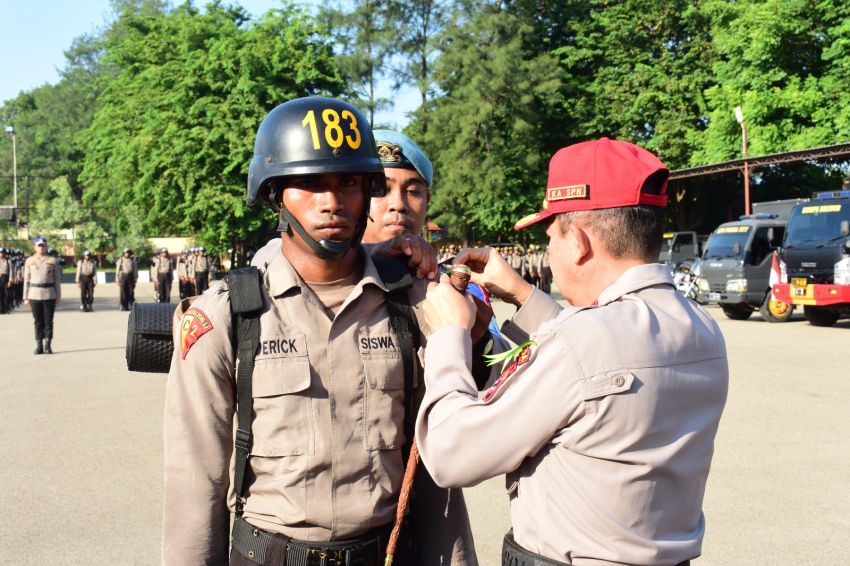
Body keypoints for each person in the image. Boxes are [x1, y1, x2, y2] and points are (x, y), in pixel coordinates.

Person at [163, 96, 478, 566]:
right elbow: (195, 484)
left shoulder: (415, 304)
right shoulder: (227, 317)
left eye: (348, 182)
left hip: (388, 551)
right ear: (275, 193)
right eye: (309, 184)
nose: (331, 202)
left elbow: (436, 471)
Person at [416, 138, 729, 566]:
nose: (549, 252)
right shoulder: (702, 328)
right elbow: (601, 357)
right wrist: (523, 294)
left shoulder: (581, 343)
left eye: (550, 238)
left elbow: (451, 453)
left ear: (579, 242)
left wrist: (448, 335)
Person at [24, 236, 62, 354]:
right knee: (37, 321)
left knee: (49, 321)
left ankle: (48, 345)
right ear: (35, 247)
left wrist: (58, 295)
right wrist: (25, 297)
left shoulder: (52, 261)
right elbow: (26, 279)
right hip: (34, 294)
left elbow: (57, 279)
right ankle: (39, 345)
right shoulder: (29, 261)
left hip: (49, 293)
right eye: (39, 245)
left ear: (46, 247)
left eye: (43, 245)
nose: (41, 247)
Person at [0, 247, 11, 314]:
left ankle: (7, 308)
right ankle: (1, 309)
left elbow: (11, 271)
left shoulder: (8, 261)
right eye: (0, 253)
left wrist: (10, 280)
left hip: (5, 278)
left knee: (7, 294)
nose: (1, 254)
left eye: (3, 253)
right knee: (0, 294)